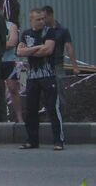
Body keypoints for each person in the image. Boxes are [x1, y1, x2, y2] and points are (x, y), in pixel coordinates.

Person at [17, 8, 64, 150]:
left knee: (52, 108)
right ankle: (32, 140)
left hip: (48, 76)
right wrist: (38, 47)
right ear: (31, 20)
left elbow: (48, 50)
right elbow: (19, 52)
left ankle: (58, 140)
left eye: (43, 18)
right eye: (38, 19)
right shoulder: (26, 34)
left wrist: (29, 51)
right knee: (30, 109)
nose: (42, 21)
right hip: (32, 78)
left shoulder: (49, 32)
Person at [41, 5, 79, 116]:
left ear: (51, 15)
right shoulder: (42, 31)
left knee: (60, 92)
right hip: (44, 66)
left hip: (57, 65)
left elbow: (69, 48)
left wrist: (75, 66)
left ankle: (62, 118)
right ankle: (49, 116)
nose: (43, 20)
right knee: (46, 93)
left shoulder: (62, 30)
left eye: (45, 17)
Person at [0, 6, 23, 123]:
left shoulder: (11, 26)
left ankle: (19, 116)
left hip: (9, 61)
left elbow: (12, 42)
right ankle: (2, 116)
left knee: (13, 89)